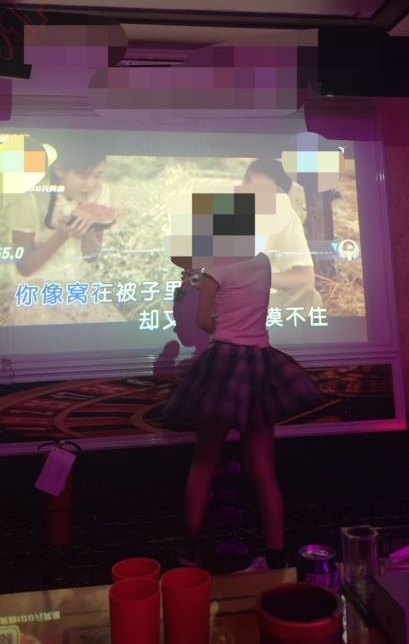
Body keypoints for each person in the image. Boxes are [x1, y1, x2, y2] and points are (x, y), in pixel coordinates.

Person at [164, 193, 322, 571]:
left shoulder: (216, 271)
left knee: (205, 459)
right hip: (260, 363)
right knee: (264, 470)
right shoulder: (262, 262)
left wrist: (201, 288)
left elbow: (203, 323)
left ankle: (193, 546)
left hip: (225, 366)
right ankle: (277, 552)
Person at [6, 138, 122, 325]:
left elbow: (91, 256)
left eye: (97, 175)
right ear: (60, 169)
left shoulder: (101, 191)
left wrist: (88, 230)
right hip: (38, 290)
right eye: (83, 175)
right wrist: (62, 234)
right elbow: (25, 267)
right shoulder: (30, 199)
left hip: (78, 285)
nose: (90, 184)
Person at [242, 158, 323, 314]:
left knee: (310, 298)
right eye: (248, 182)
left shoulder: (284, 218)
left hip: (262, 305)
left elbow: (305, 278)